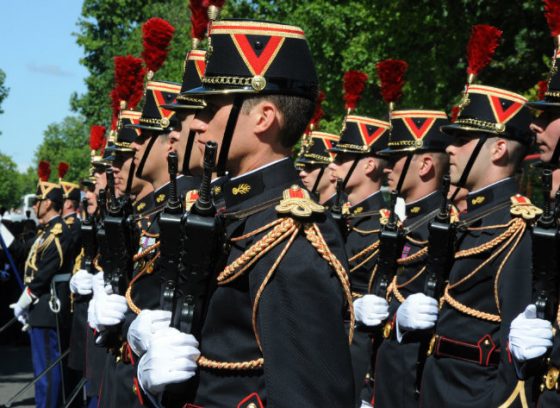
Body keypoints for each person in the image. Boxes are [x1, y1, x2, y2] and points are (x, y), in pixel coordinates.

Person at [138, 19, 355, 407]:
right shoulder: (234, 211)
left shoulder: (290, 233)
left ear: (263, 118)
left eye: (212, 107)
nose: (198, 123)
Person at [420, 84, 538, 407]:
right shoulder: (468, 221)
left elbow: (515, 361)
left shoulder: (515, 228)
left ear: (498, 149)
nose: (450, 150)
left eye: (463, 140)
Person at [369, 109, 450, 407]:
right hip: (387, 369)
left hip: (412, 377)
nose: (387, 168)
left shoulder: (440, 228)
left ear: (425, 164)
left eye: (395, 160)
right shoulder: (409, 224)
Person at [327, 113, 390, 405]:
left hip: (357, 355)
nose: (333, 164)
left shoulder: (383, 227)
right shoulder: (338, 218)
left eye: (342, 158)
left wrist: (369, 389)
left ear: (368, 165)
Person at [10, 161, 72, 408]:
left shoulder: (59, 232)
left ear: (48, 203)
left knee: (47, 368)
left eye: (38, 201)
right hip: (41, 305)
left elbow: (45, 271)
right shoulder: (45, 232)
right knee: (42, 369)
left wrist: (25, 300)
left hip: (48, 305)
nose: (35, 205)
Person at [296, 130, 339, 206]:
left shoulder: (343, 212)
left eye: (311, 167)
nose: (302, 173)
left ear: (333, 172)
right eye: (303, 168)